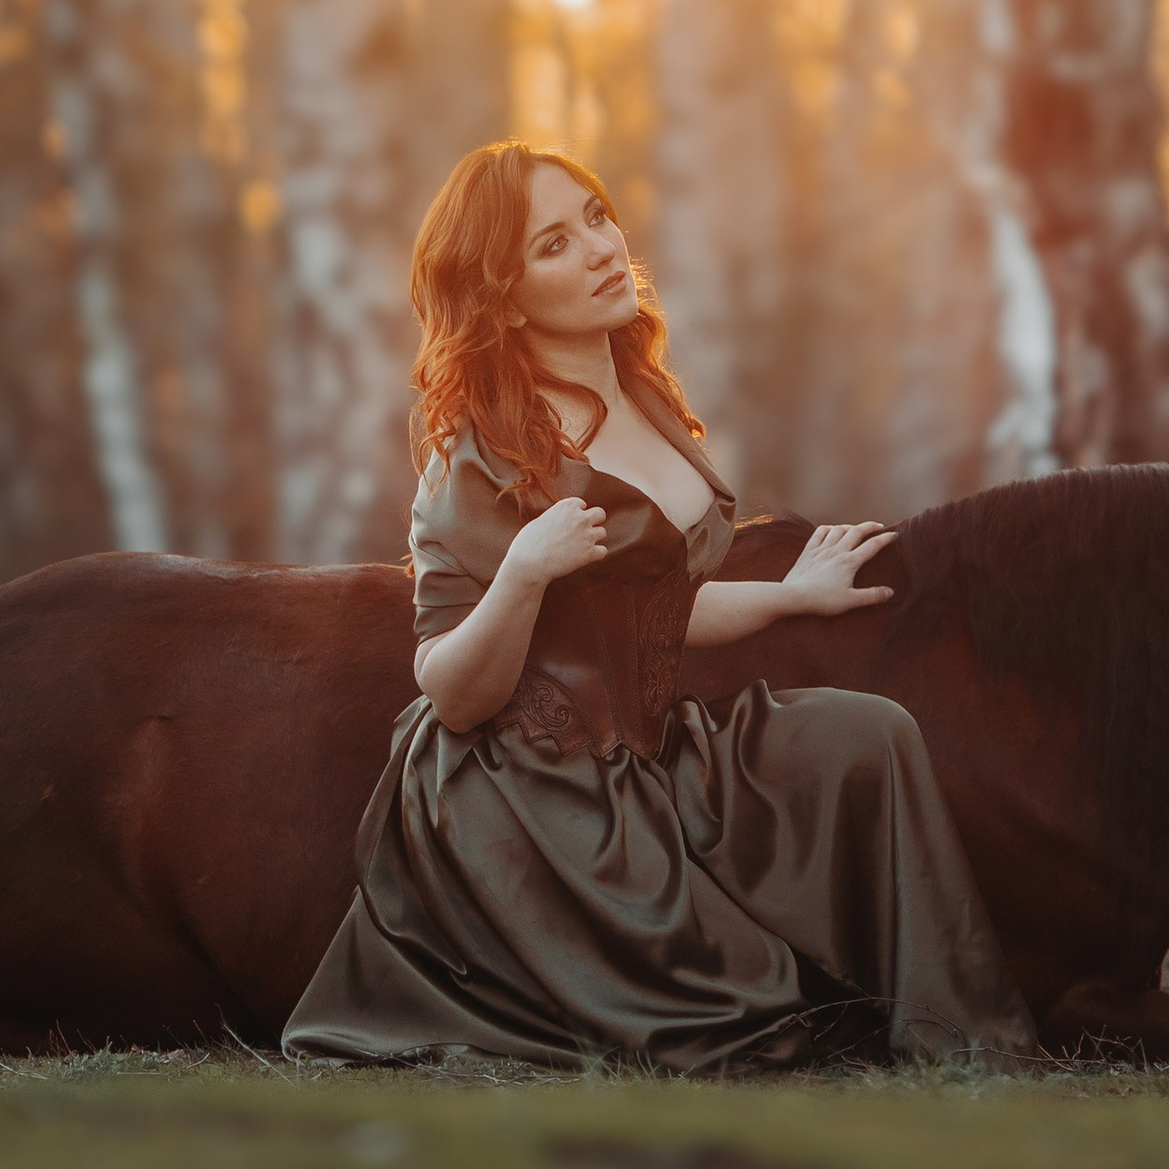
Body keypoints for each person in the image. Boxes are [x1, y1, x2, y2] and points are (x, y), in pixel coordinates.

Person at [281, 140, 1043, 1075]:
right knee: (747, 1022)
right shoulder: (478, 462)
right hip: (532, 788)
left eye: (597, 216)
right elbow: (450, 692)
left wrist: (791, 595)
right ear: (505, 297)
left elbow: (653, 617)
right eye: (554, 244)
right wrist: (522, 574)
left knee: (868, 735)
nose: (604, 249)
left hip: (658, 746)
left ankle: (963, 1040)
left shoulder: (643, 395)